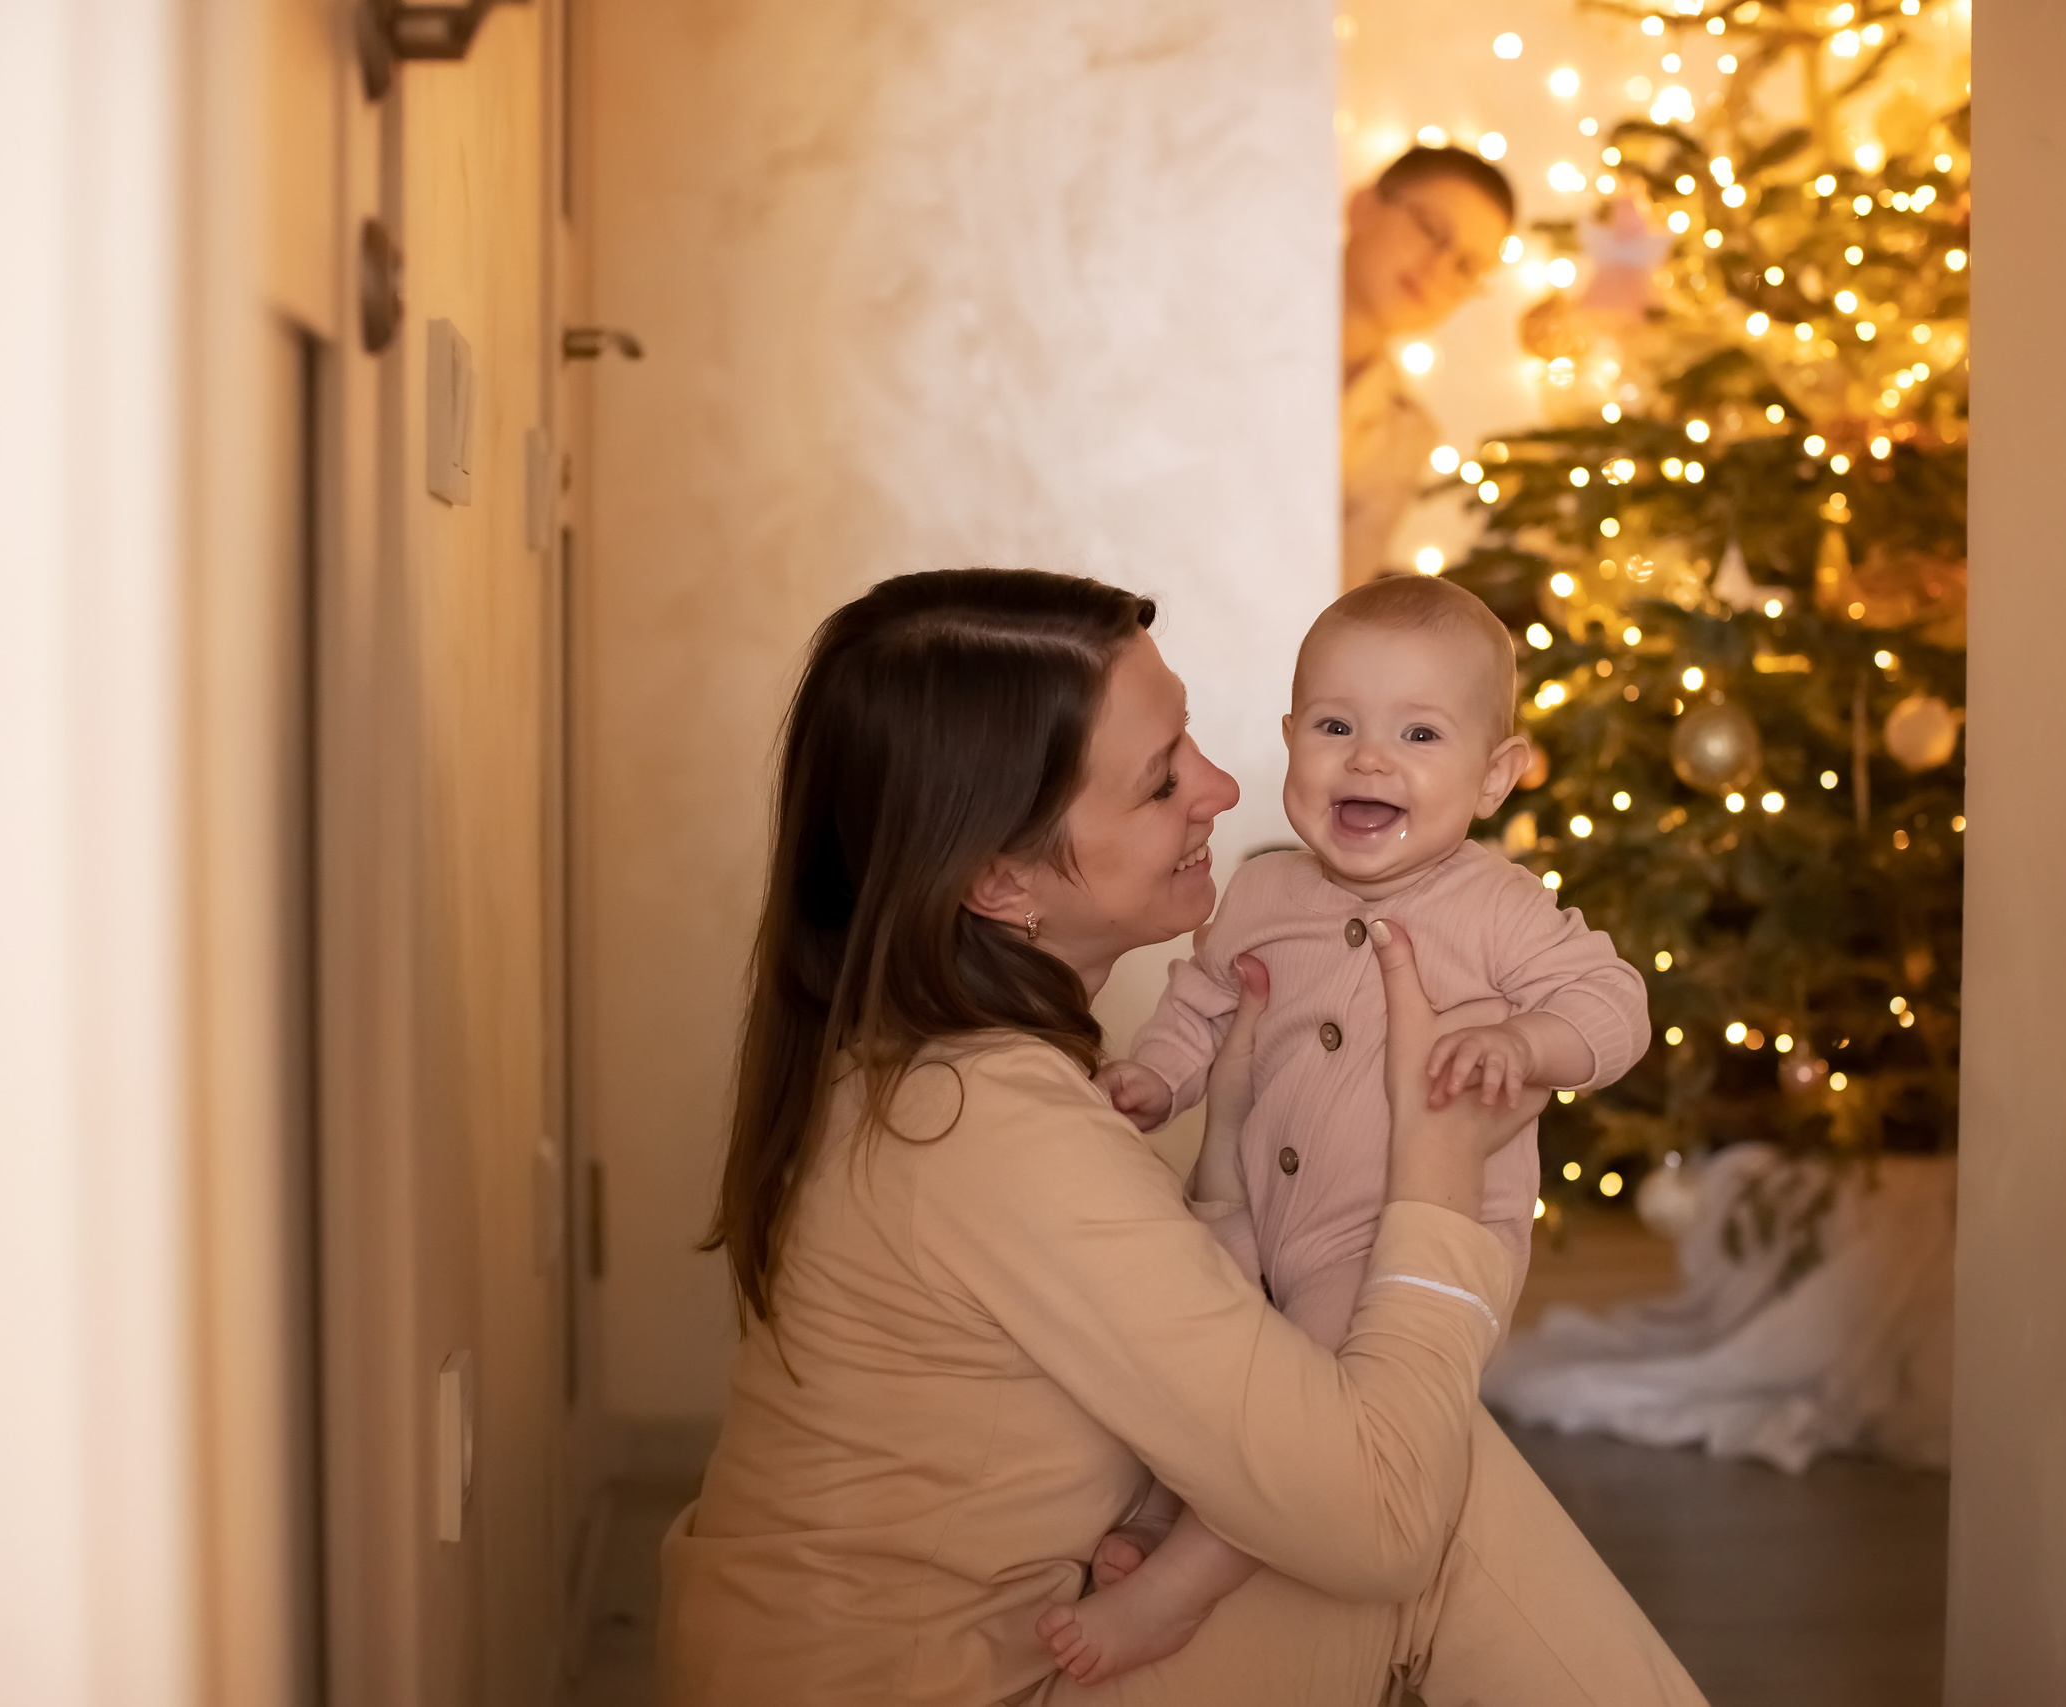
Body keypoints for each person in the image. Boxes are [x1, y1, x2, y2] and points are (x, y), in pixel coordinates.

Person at [661, 569, 1702, 1706]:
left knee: (1380, 1450)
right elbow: (1383, 1517)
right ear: (1000, 880)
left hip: (912, 1657)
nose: (1219, 787)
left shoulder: (928, 1070)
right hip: (949, 1687)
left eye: (1192, 741)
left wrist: (1228, 1159)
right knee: (1423, 1487)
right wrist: (1439, 1170)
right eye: (1162, 779)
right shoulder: (988, 1128)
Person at [1041, 574, 1648, 1683]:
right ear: (1289, 740)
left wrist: (1524, 1043)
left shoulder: (1497, 908)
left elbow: (1615, 1006)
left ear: (1496, 774)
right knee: (1205, 1370)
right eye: (1334, 727)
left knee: (1313, 1417)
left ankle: (1181, 1587)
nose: (1369, 760)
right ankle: (1166, 1513)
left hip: (1395, 1244)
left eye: (1419, 734)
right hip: (1253, 1217)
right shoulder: (1263, 892)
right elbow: (1203, 1000)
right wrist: (1157, 1079)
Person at [1341, 147, 1517, 588]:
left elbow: (1332, 599)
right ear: (1364, 206)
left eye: (1465, 267)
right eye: (1431, 230)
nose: (1437, 269)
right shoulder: (1235, 309)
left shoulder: (1407, 436)